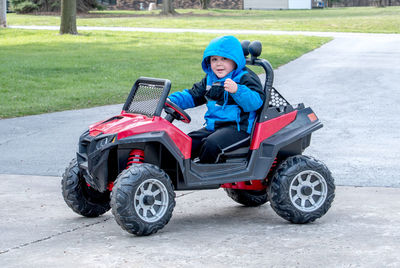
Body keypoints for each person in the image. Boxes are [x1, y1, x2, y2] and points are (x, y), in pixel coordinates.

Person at [168, 35, 265, 163]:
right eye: (214, 59)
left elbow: (256, 102)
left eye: (224, 59)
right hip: (214, 126)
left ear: (235, 60)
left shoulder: (245, 78)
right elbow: (193, 95)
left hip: (238, 128)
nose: (219, 64)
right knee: (187, 142)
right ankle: (172, 176)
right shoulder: (211, 79)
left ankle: (203, 178)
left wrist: (238, 90)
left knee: (211, 145)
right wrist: (169, 100)